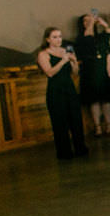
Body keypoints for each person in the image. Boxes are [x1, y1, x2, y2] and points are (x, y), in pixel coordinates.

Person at [37, 27, 88, 160]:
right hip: (55, 90)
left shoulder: (66, 51)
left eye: (60, 36)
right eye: (54, 37)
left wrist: (74, 62)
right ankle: (64, 152)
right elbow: (49, 72)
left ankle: (80, 148)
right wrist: (63, 61)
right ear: (48, 39)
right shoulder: (43, 54)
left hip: (69, 88)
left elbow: (75, 73)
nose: (58, 39)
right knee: (60, 122)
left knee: (76, 120)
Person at [75, 12, 110, 137]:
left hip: (102, 70)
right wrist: (91, 22)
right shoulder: (80, 38)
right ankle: (97, 127)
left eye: (89, 20)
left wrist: (103, 23)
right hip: (90, 71)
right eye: (85, 21)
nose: (88, 22)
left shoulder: (100, 37)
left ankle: (109, 125)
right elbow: (88, 39)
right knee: (94, 100)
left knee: (106, 100)